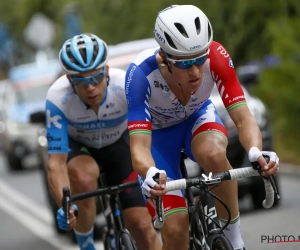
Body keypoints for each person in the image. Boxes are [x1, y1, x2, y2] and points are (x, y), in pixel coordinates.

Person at [125, 5, 279, 250]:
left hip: (198, 119)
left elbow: (243, 118)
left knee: (214, 154)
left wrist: (255, 152)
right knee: (175, 232)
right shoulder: (141, 75)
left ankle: (234, 241)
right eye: (185, 64)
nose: (196, 71)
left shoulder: (216, 55)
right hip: (159, 138)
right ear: (164, 57)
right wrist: (150, 171)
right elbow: (139, 148)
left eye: (200, 60)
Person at [45, 33, 162, 250]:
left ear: (107, 71)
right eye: (81, 80)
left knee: (144, 228)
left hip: (119, 146)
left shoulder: (124, 86)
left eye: (96, 78)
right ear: (70, 80)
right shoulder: (56, 97)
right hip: (81, 150)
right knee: (83, 175)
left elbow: (149, 135)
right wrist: (65, 204)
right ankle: (87, 246)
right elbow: (56, 163)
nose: (90, 87)